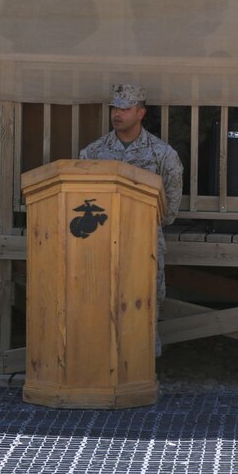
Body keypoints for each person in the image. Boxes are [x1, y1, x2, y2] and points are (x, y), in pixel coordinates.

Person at [79, 84, 183, 355]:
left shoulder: (163, 154)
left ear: (141, 113)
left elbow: (170, 209)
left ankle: (142, 365)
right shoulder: (93, 153)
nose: (117, 114)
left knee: (145, 302)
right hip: (100, 243)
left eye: (125, 109)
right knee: (97, 300)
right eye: (115, 108)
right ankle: (98, 362)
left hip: (143, 242)